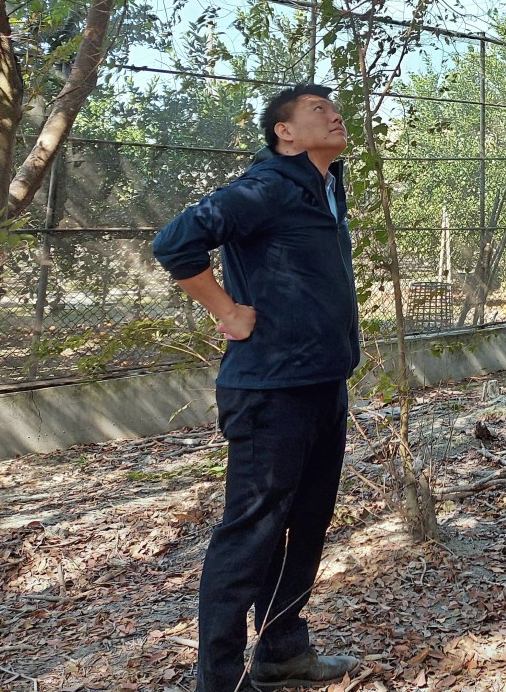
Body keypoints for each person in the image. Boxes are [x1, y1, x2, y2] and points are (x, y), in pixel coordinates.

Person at [153, 84, 364, 691]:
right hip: (271, 393)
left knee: (306, 526)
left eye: (334, 107)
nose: (334, 114)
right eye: (317, 109)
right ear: (284, 132)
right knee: (251, 536)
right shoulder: (266, 185)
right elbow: (175, 242)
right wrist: (227, 309)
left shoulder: (326, 187)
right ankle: (219, 681)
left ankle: (281, 653)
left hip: (323, 385)